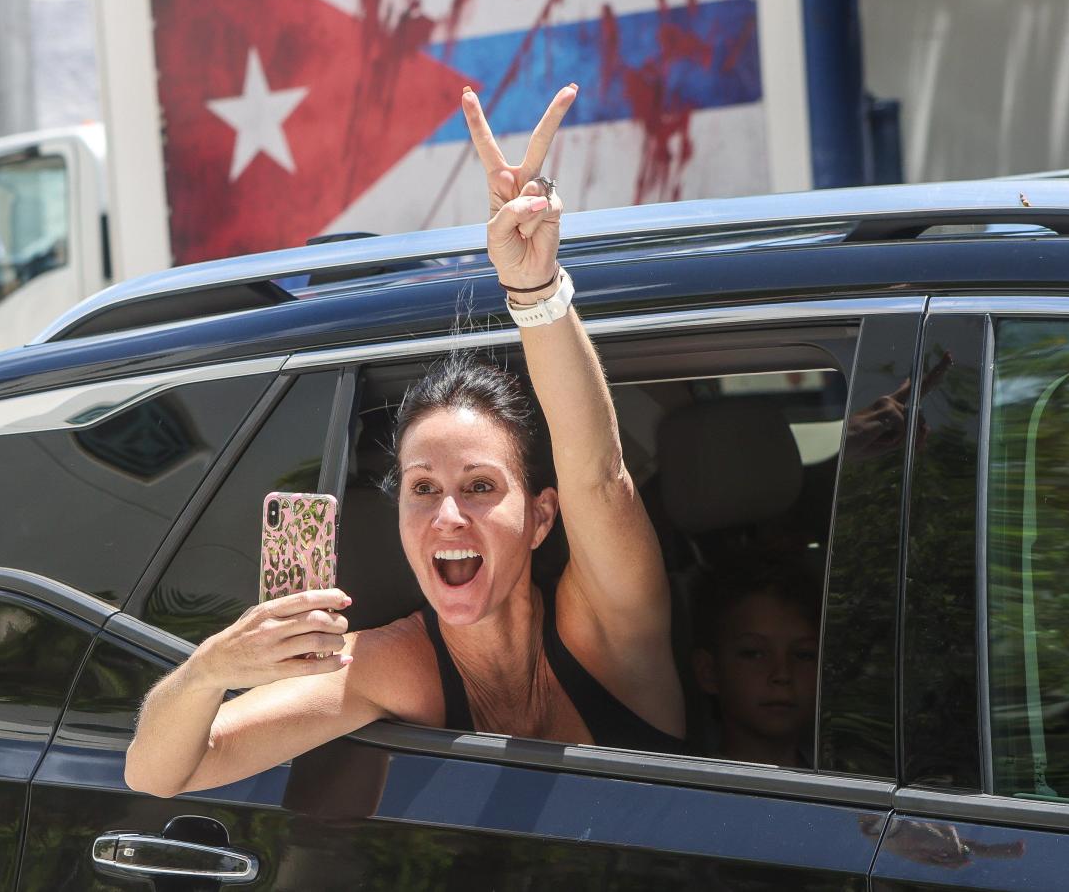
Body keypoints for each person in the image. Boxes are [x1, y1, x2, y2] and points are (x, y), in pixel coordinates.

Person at [124, 85, 685, 798]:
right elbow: (160, 772)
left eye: (480, 486)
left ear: (543, 516)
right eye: (423, 488)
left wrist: (534, 287)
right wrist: (210, 669)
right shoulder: (397, 664)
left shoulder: (607, 628)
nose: (448, 515)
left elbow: (600, 475)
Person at [691, 556, 821, 768]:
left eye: (804, 655)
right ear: (709, 672)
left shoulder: (855, 784)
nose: (782, 674)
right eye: (753, 653)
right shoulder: (689, 792)